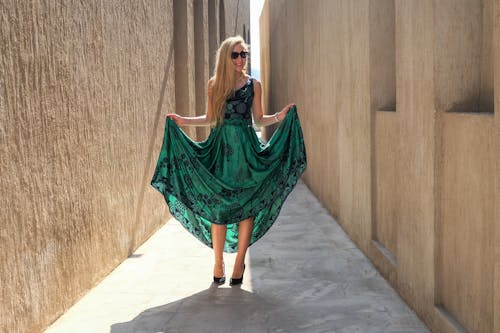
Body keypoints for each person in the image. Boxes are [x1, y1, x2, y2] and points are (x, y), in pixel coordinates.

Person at [151, 36, 306, 286]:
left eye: (243, 54)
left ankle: (238, 263)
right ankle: (217, 262)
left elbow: (259, 119)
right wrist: (183, 121)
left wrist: (280, 116)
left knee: (248, 206)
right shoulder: (215, 85)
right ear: (226, 56)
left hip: (246, 153)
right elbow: (211, 118)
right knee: (219, 208)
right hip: (221, 151)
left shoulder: (254, 85)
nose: (240, 59)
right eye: (235, 54)